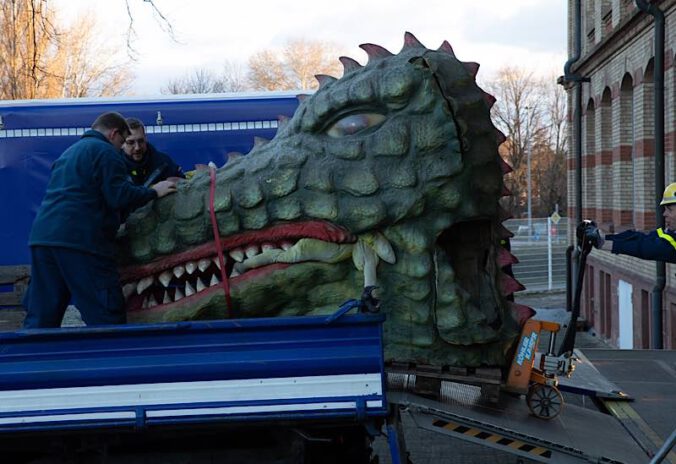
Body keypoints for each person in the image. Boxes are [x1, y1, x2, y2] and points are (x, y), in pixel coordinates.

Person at [22, 112, 178, 328]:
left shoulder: (69, 153)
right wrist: (153, 191)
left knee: (41, 316)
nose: (122, 148)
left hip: (43, 239)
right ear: (114, 134)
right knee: (106, 314)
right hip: (81, 241)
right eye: (123, 142)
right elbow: (119, 196)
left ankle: (31, 359)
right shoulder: (105, 151)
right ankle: (113, 359)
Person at [586, 183, 676, 263]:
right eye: (665, 209)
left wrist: (603, 243)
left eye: (670, 210)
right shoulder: (671, 234)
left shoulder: (671, 244)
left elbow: (649, 248)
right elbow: (644, 237)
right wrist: (602, 237)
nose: (664, 214)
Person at [122, 117, 184, 186]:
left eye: (141, 141)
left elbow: (184, 187)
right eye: (131, 142)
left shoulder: (164, 164)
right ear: (121, 143)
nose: (137, 148)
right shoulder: (113, 167)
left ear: (146, 138)